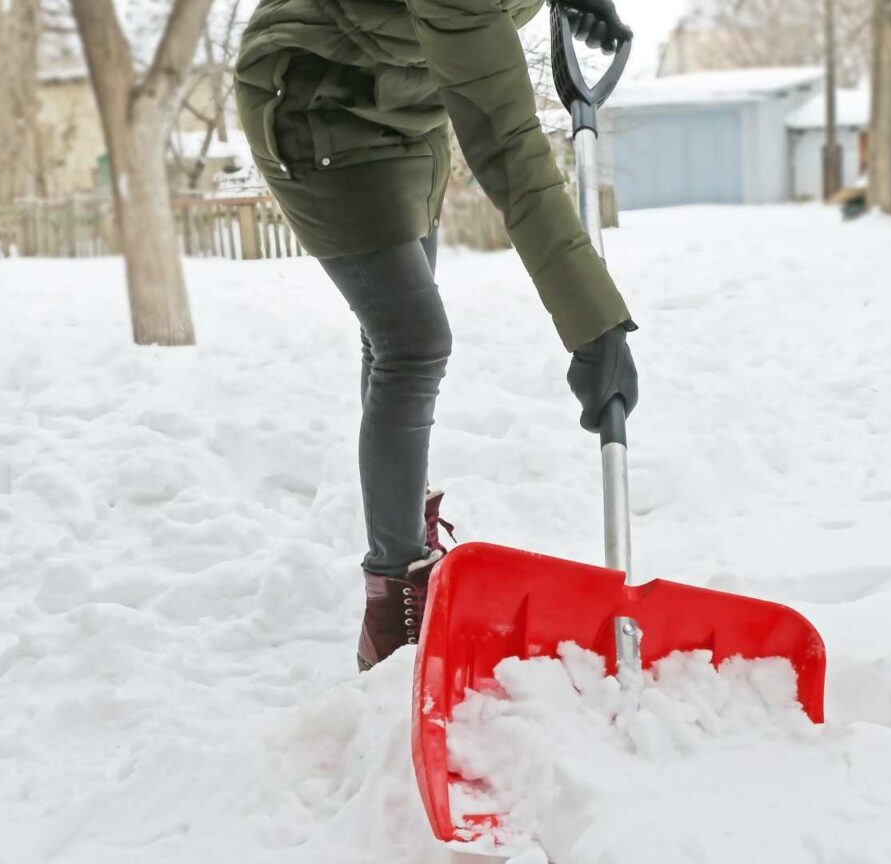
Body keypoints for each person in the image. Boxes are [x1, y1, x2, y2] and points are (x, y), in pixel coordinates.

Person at [234, 0, 639, 671]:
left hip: (408, 102)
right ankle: (393, 604)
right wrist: (591, 324)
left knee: (390, 335)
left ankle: (401, 529)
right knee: (412, 343)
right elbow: (508, 144)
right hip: (312, 95)